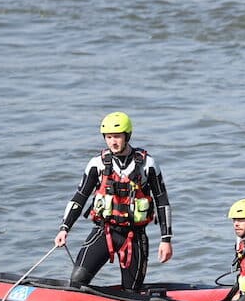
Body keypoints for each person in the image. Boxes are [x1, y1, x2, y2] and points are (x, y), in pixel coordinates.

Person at [54, 111, 173, 289]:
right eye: (108, 137)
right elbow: (80, 197)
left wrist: (166, 239)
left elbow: (162, 202)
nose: (113, 142)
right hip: (104, 232)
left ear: (127, 136)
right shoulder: (97, 164)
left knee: (131, 291)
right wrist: (64, 228)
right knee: (77, 280)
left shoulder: (147, 164)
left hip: (135, 237)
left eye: (117, 137)